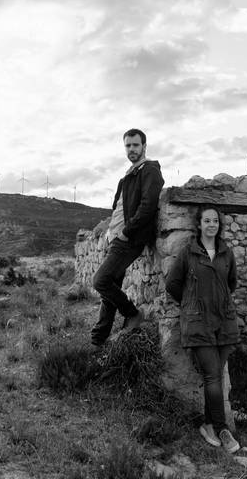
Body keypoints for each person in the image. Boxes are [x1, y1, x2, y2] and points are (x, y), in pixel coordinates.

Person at [164, 204, 241, 453]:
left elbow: (231, 284)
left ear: (219, 225)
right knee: (212, 376)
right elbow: (173, 284)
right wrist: (191, 304)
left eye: (215, 221)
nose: (211, 225)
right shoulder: (189, 253)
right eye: (207, 221)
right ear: (199, 224)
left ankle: (209, 425)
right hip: (198, 323)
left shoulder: (226, 253)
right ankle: (222, 429)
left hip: (224, 322)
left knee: (215, 376)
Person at [90, 128, 164, 347]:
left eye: (136, 145)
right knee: (108, 291)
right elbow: (117, 209)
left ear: (144, 147)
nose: (132, 149)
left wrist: (126, 232)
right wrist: (110, 231)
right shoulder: (127, 176)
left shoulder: (149, 170)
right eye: (128, 145)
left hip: (129, 239)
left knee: (100, 281)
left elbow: (148, 205)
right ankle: (98, 340)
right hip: (117, 238)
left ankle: (132, 313)